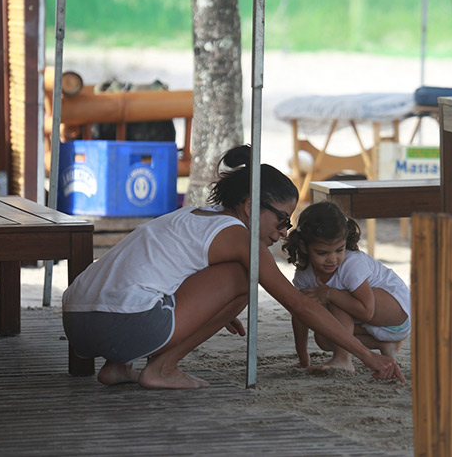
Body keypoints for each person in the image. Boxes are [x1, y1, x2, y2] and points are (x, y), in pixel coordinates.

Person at [62, 145, 404, 389]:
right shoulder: (241, 238)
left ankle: (118, 366)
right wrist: (367, 357)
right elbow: (298, 303)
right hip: (125, 323)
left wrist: (213, 306)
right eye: (283, 219)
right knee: (245, 277)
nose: (285, 231)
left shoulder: (192, 215)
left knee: (217, 281)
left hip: (78, 322)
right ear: (252, 207)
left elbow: (165, 270)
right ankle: (161, 369)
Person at [282, 201, 411, 372]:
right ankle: (384, 344)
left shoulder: (351, 264)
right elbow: (300, 314)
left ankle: (343, 360)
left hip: (395, 311)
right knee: (323, 337)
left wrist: (329, 294)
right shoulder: (304, 275)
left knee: (337, 297)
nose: (332, 259)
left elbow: (367, 311)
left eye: (339, 250)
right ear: (304, 247)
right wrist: (303, 358)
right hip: (372, 327)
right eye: (322, 253)